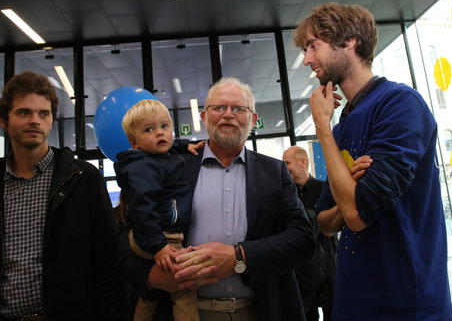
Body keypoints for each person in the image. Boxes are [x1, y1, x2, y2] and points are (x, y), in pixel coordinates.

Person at [294, 2, 452, 321]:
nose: (308, 59)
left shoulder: (399, 104)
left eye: (313, 46)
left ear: (350, 40)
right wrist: (348, 191)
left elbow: (356, 215)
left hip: (408, 304)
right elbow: (325, 222)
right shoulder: (342, 127)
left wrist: (322, 128)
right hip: (352, 301)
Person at [117, 77, 315, 321]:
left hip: (261, 311)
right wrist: (151, 277)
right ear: (203, 117)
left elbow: (304, 240)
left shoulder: (275, 172)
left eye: (238, 108)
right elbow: (123, 236)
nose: (228, 115)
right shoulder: (170, 167)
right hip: (185, 312)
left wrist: (239, 257)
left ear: (253, 119)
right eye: (219, 107)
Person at [0, 71, 128, 320]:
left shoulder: (83, 178)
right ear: (4, 120)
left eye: (43, 113)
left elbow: (108, 263)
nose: (35, 120)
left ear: (52, 119)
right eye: (24, 112)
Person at [114, 99, 199, 321]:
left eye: (164, 126)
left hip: (155, 235)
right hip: (160, 236)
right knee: (184, 289)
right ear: (134, 142)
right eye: (149, 130)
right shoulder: (144, 167)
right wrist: (158, 247)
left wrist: (183, 145)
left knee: (149, 294)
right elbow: (143, 210)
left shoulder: (155, 157)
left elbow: (168, 144)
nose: (160, 133)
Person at [282, 146, 336, 321]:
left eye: (287, 163)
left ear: (302, 162)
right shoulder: (286, 195)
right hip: (301, 274)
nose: (284, 168)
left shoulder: (325, 190)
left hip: (328, 270)